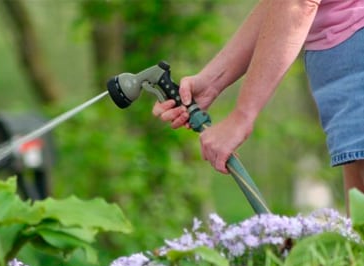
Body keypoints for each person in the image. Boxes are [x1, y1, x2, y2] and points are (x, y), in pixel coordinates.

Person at [152, 0, 364, 215]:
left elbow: (298, 3)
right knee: (359, 226)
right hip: (344, 63)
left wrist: (241, 117)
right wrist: (211, 82)